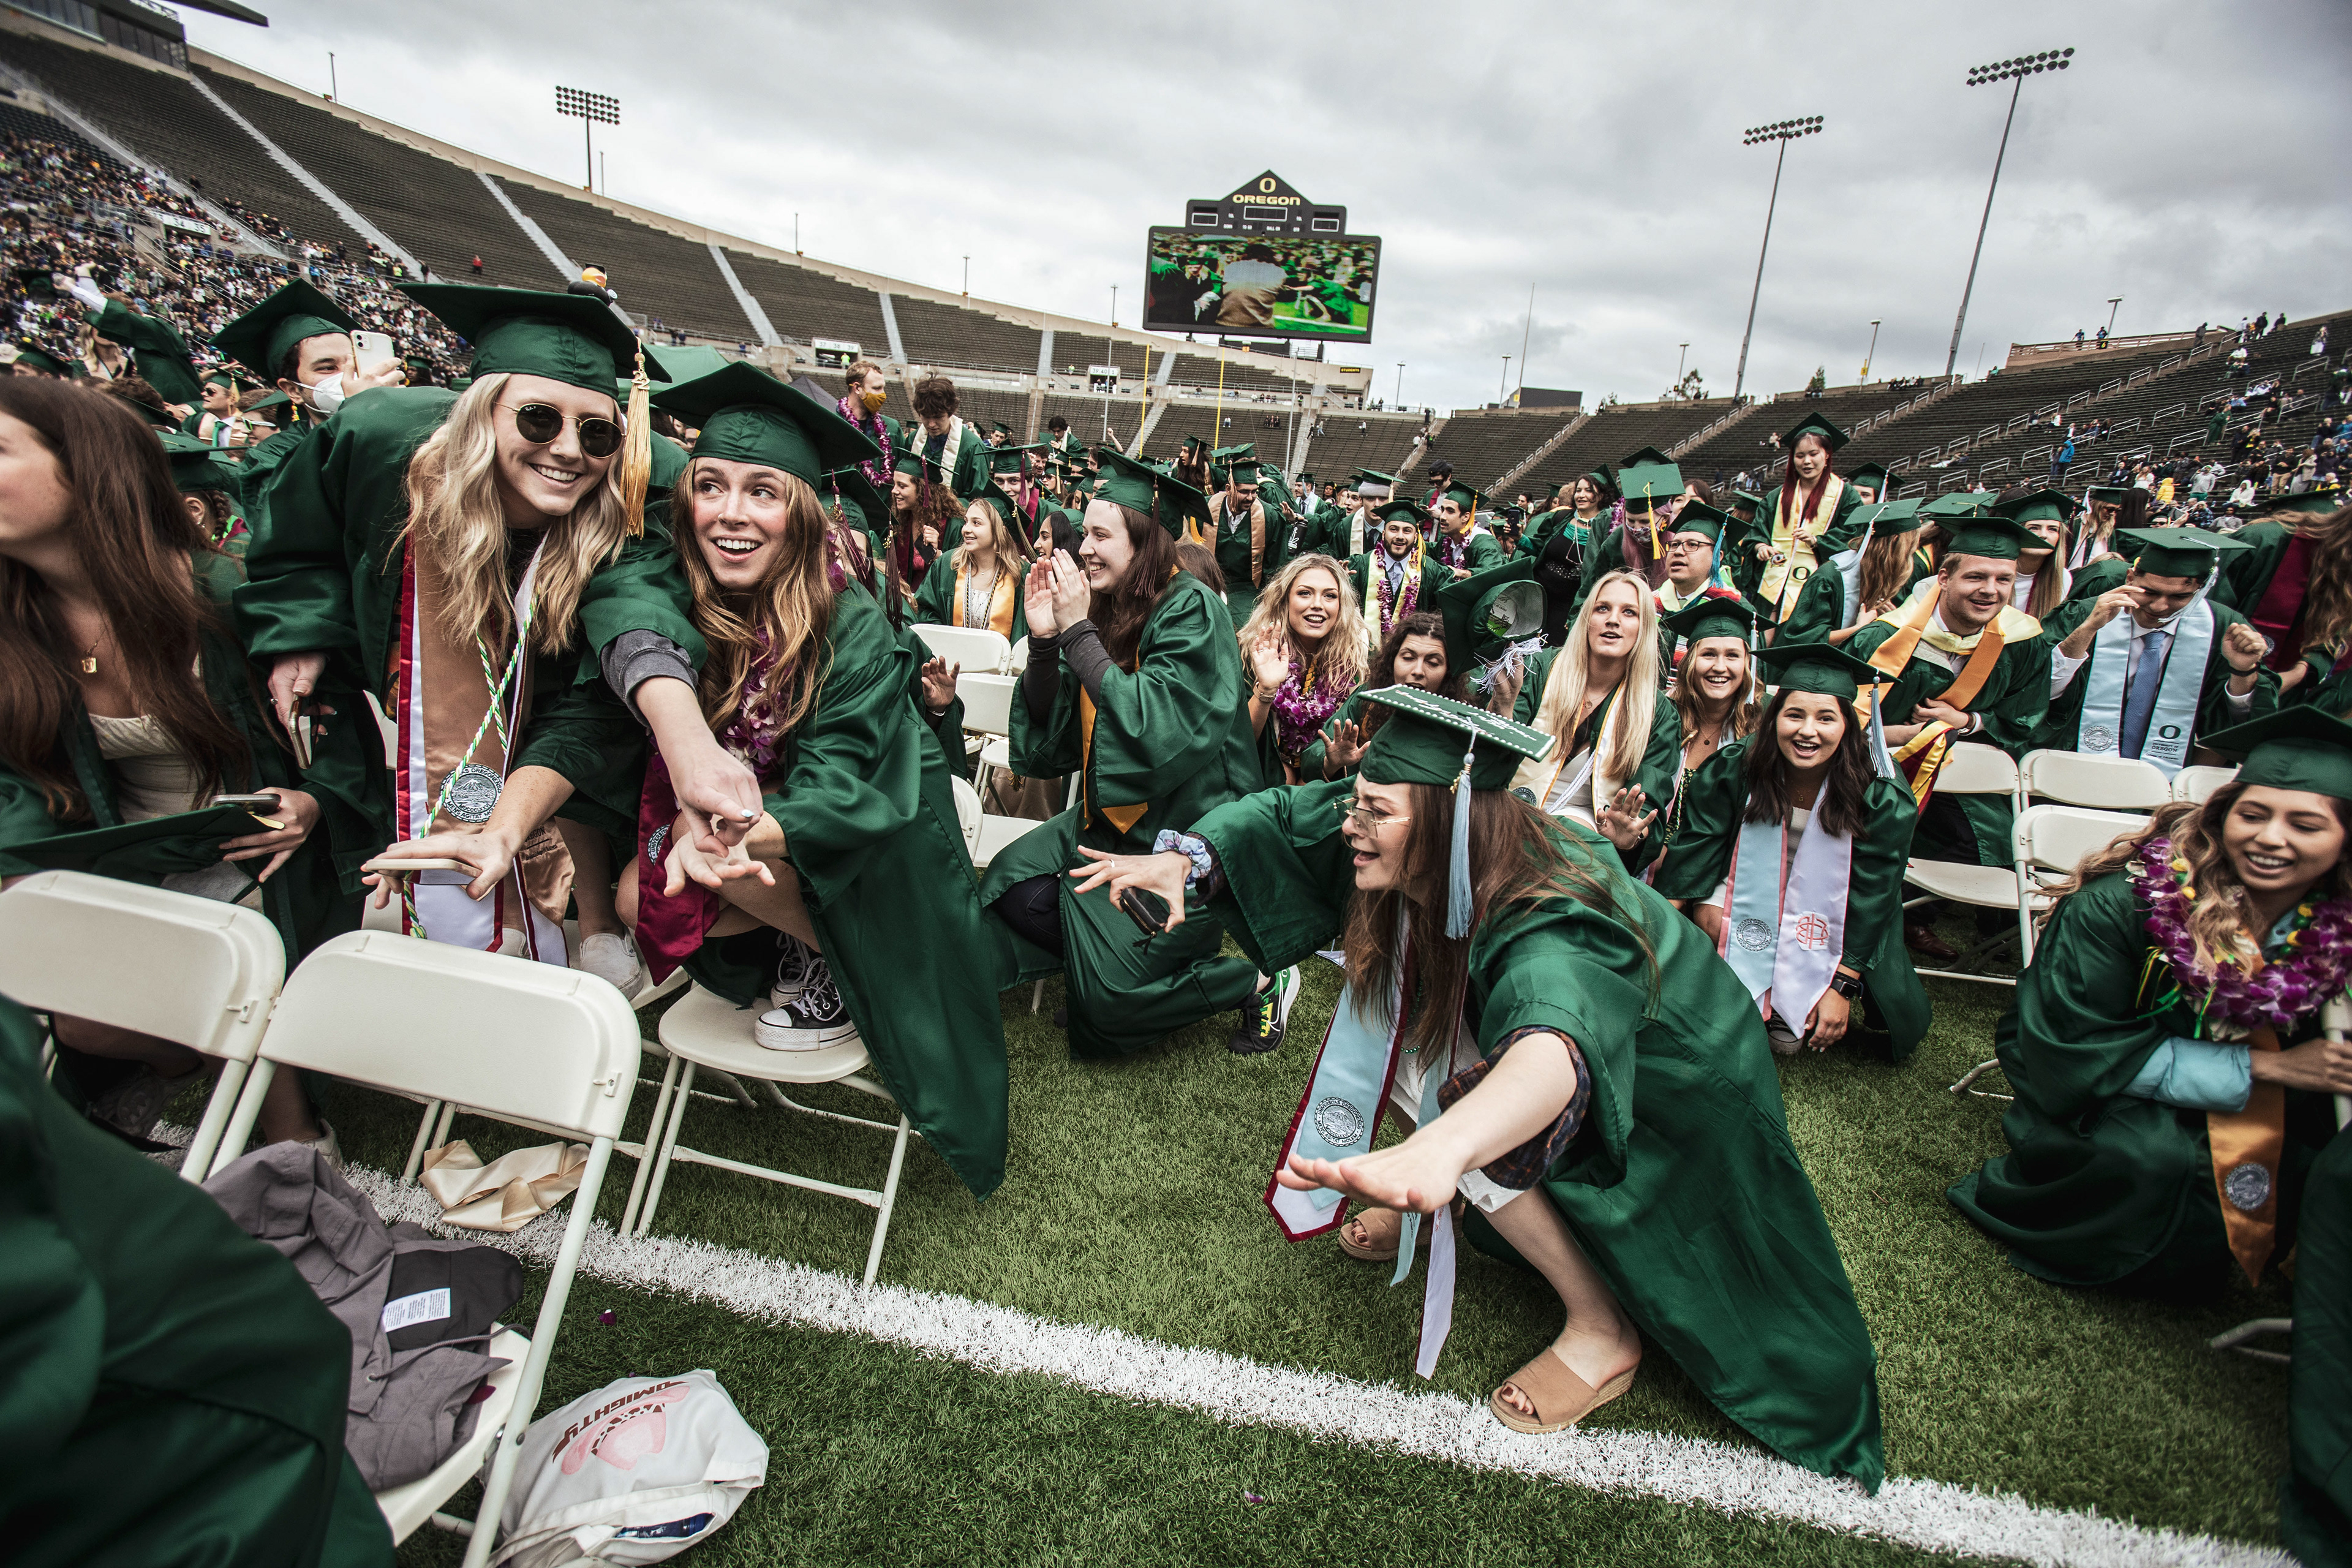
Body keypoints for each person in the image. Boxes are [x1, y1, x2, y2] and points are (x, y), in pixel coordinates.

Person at [1068, 687, 1885, 1490]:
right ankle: (1459, 1189)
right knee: (1404, 1038)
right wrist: (1186, 857)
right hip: (1562, 1030)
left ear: (1447, 818)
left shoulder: (1550, 903)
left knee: (1462, 1101)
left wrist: (1446, 1145)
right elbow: (1292, 816)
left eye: (1373, 811)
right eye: (1360, 803)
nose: (1351, 825)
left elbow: (1552, 1048)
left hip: (1677, 1080)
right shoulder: (1442, 828)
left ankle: (1604, 1331)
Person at [236, 285, 750, 976]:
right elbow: (300, 538)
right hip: (418, 669)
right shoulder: (376, 438)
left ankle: (543, 914)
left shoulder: (635, 493)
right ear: (481, 413)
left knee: (519, 801)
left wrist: (683, 740)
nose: (570, 451)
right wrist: (298, 629)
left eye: (597, 432)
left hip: (544, 680)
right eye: (538, 420)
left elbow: (627, 632)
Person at [1944, 709, 2352, 1560]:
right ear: (2224, 810)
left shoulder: (2337, 923)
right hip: (2108, 1083)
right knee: (2158, 1159)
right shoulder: (2127, 904)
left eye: (2306, 823)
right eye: (2255, 812)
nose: (2273, 838)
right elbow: (2067, 1044)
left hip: (2267, 1099)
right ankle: (2092, 1240)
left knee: (2324, 1162)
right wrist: (2270, 1072)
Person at [612, 363, 1009, 1196]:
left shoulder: (849, 623)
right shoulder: (675, 581)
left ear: (801, 511)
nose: (730, 511)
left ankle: (840, 950)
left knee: (707, 859)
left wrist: (723, 829)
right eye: (711, 484)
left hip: (872, 829)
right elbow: (622, 600)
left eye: (763, 491)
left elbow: (846, 786)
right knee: (630, 895)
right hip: (766, 818)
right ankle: (797, 936)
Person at [0, 379, 354, 1154]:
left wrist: (312, 803)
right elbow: (15, 784)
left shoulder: (226, 598)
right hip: (110, 847)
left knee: (225, 953)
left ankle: (290, 1134)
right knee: (70, 999)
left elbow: (340, 737)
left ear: (85, 469)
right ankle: (171, 1055)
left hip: (253, 847)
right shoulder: (14, 623)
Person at [979, 450, 1294, 1060]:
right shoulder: (1108, 603)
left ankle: (1254, 980)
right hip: (1109, 819)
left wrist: (1075, 635)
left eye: (1101, 534)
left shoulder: (1193, 609)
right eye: (1084, 531)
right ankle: (1118, 943)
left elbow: (1150, 724)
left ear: (1146, 541)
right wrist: (1045, 642)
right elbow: (1059, 732)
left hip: (1184, 839)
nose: (1084, 546)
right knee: (1008, 888)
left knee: (1105, 1011)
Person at [1656, 642, 1928, 1058]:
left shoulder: (1878, 794)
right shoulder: (1737, 766)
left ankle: (1788, 1001)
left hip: (1832, 902)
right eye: (1794, 714)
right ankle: (1737, 992)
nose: (1807, 731)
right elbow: (1699, 848)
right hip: (1745, 879)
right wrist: (1658, 933)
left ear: (1847, 726)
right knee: (1712, 915)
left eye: (1825, 718)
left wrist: (1842, 985)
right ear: (1774, 719)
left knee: (1787, 1046)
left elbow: (1874, 893)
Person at [2040, 527, 2274, 772]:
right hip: (2072, 760)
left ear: (2201, 590)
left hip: (2176, 774)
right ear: (2130, 578)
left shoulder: (2223, 626)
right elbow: (2036, 694)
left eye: (2180, 597)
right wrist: (2086, 631)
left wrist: (2243, 671)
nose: (2160, 606)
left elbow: (2238, 722)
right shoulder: (2084, 614)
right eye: (2149, 592)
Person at [1493, 568, 1680, 869]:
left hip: (1584, 838)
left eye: (1629, 612)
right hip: (1509, 812)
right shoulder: (1540, 669)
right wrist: (1503, 706)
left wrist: (1630, 834)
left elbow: (1648, 804)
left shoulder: (1657, 713)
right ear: (1587, 620)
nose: (1613, 620)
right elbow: (1492, 756)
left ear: (1644, 628)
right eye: (1602, 608)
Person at [208, 279, 405, 536]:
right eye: (327, 368)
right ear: (292, 390)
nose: (346, 376)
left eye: (352, 365)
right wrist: (356, 416)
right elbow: (295, 534)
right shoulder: (273, 456)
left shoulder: (401, 426)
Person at [1239, 553, 1367, 786]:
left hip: (1324, 778)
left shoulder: (1356, 663)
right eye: (1305, 593)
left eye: (1330, 596)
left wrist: (1327, 765)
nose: (1317, 604)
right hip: (1261, 771)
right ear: (1284, 600)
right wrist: (1266, 689)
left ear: (1341, 606)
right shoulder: (1253, 652)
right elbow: (1239, 742)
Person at [1307, 609, 1462, 780]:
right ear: (1392, 661)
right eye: (1408, 658)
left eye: (1433, 663)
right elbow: (1317, 753)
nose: (1418, 671)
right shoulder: (1369, 696)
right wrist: (1332, 762)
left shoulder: (1460, 718)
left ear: (1448, 671)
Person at [1753, 413, 1866, 623]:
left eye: (1814, 454)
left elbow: (1854, 535)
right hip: (1772, 585)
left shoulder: (1846, 496)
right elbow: (1758, 530)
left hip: (1817, 588)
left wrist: (1818, 541)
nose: (1806, 461)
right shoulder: (1777, 496)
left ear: (1827, 455)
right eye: (1800, 455)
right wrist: (1760, 547)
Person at [1777, 499, 1930, 647]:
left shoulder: (1884, 575)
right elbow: (1802, 638)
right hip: (1809, 666)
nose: (1914, 548)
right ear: (1897, 541)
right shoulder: (1830, 578)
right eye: (1912, 543)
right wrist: (1858, 629)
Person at [913, 483, 1023, 638]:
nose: (966, 529)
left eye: (976, 523)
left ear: (999, 531)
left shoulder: (1021, 574)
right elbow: (926, 610)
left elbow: (1024, 631)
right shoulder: (948, 565)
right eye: (966, 521)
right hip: (951, 656)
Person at [1346, 499, 1448, 648]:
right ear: (1384, 533)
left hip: (1411, 654)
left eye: (1407, 531)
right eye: (1394, 529)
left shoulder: (1431, 570)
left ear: (1416, 537)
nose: (1400, 536)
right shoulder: (1360, 565)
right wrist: (1340, 582)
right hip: (1363, 652)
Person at [1207, 453, 1283, 627]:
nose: (1250, 498)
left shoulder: (1269, 516)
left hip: (1247, 588)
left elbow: (1275, 565)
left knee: (1244, 626)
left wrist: (1267, 601)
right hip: (1209, 581)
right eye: (1244, 492)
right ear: (1228, 489)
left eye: (1254, 492)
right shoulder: (1204, 510)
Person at [907, 374, 989, 500]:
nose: (931, 424)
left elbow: (977, 498)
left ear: (951, 412)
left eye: (938, 417)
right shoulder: (912, 440)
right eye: (925, 416)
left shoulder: (973, 447)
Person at [834, 357, 895, 486]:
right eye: (877, 388)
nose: (883, 395)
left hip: (883, 506)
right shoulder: (831, 427)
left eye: (883, 388)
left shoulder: (892, 429)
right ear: (857, 388)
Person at [1428, 481, 1504, 578]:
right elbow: (1431, 549)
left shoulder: (1485, 544)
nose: (1442, 517)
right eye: (1442, 510)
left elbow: (1492, 572)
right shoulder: (1447, 540)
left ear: (1465, 517)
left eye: (1450, 511)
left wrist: (1461, 573)